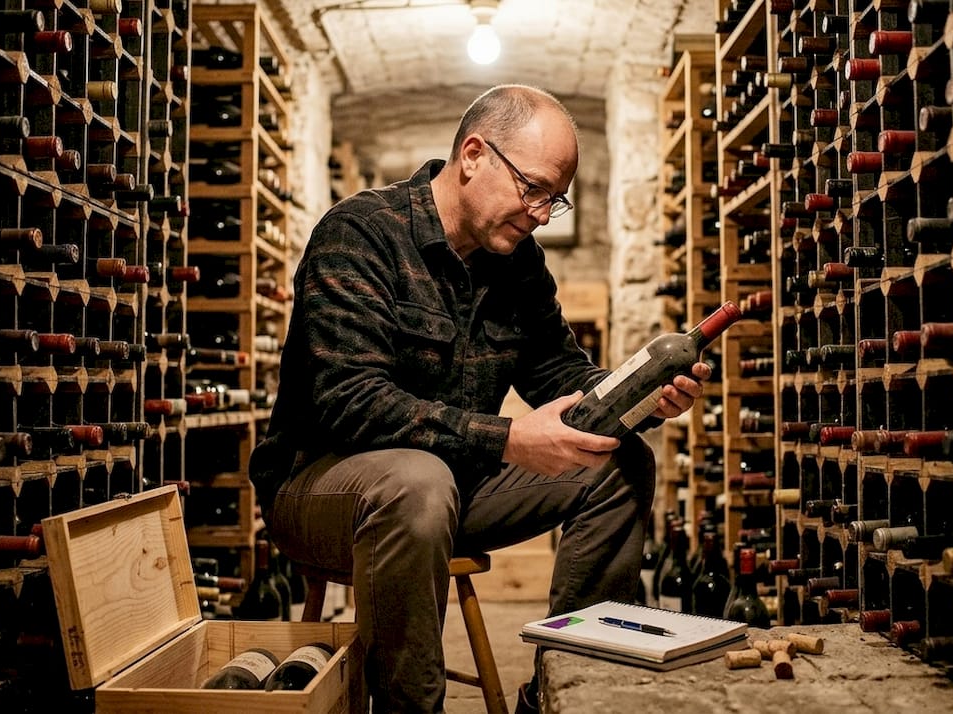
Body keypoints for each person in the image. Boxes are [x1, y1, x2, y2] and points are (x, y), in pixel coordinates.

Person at [249, 84, 711, 713]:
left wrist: (638, 401)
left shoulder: (520, 265)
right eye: (533, 190)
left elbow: (562, 377)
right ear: (473, 155)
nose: (543, 214)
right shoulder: (361, 234)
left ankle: (561, 694)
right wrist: (512, 439)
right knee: (418, 481)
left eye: (557, 199)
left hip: (454, 489)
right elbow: (349, 401)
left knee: (618, 464)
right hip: (321, 489)